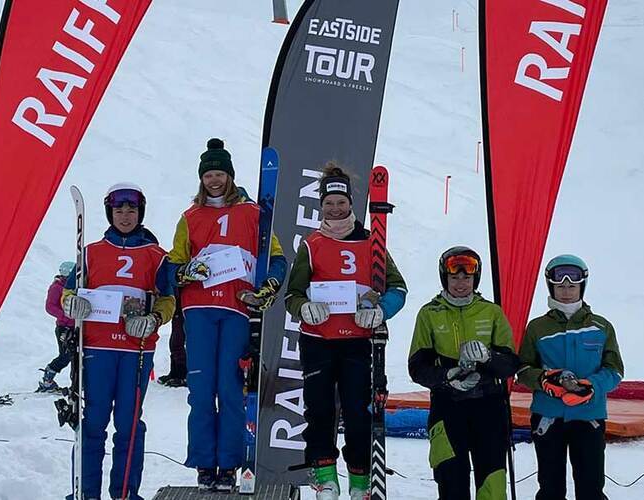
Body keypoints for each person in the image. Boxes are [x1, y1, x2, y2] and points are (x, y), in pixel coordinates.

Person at [168, 138, 287, 491]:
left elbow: (275, 258)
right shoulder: (189, 217)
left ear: (230, 177)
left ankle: (230, 464)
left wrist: (269, 286)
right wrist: (184, 273)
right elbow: (173, 264)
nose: (214, 180)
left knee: (231, 388)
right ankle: (206, 463)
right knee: (202, 390)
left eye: (220, 174)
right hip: (199, 309)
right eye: (209, 175)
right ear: (201, 178)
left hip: (235, 308)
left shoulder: (252, 214)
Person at [285, 163, 408, 500]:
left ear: (351, 204)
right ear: (321, 205)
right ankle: (325, 476)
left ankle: (360, 478)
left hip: (358, 342)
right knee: (320, 410)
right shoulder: (311, 245)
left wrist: (382, 310)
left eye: (341, 203)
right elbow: (292, 295)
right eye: (329, 203)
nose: (335, 209)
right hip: (319, 341)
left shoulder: (372, 242)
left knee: (358, 412)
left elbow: (398, 288)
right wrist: (303, 308)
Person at [61, 182, 175, 500]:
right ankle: (85, 493)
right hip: (97, 350)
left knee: (128, 424)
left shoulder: (156, 256)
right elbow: (68, 292)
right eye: (119, 209)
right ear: (110, 212)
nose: (125, 215)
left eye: (132, 209)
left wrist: (153, 319)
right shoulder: (92, 253)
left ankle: (125, 493)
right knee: (92, 423)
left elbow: (168, 300)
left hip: (135, 350)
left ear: (141, 212)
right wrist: (72, 303)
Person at [408, 246, 519, 500]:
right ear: (444, 278)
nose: (461, 283)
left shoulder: (492, 312)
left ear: (475, 279)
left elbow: (511, 363)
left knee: (492, 484)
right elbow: (417, 368)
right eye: (454, 277)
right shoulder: (429, 314)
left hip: (489, 408)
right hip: (448, 409)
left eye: (466, 278)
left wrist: (488, 357)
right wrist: (448, 377)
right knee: (451, 483)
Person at [516, 254, 625, 500]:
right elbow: (522, 370)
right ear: (551, 286)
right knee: (550, 487)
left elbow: (615, 370)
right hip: (548, 417)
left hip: (589, 417)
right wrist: (544, 379)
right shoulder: (537, 328)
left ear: (581, 287)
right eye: (560, 286)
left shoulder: (600, 326)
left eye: (572, 286)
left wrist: (591, 386)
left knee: (591, 487)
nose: (566, 291)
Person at [39, 260, 76, 392]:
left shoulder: (76, 287)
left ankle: (77, 383)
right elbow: (49, 307)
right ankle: (48, 379)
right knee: (65, 356)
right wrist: (65, 316)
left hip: (76, 326)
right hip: (64, 327)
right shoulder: (57, 287)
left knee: (77, 356)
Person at [156, 293, 187, 388]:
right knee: (175, 336)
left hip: (185, 297)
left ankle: (182, 374)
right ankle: (175, 371)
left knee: (179, 337)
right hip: (177, 296)